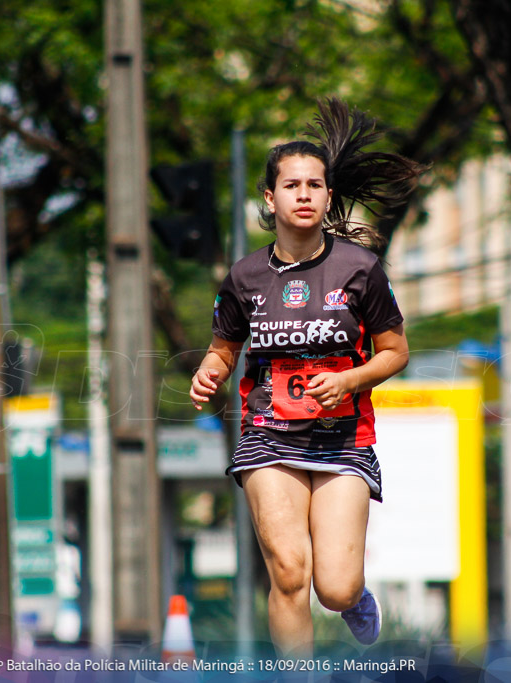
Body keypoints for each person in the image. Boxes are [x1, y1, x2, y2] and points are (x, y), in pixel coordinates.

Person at [189, 99, 424, 656]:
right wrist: (208, 375)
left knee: (335, 588)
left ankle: (356, 600)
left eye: (314, 185)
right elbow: (222, 352)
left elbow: (395, 352)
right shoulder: (244, 277)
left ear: (328, 197)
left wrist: (349, 382)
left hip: (343, 438)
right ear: (270, 199)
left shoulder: (360, 270)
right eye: (291, 185)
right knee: (290, 574)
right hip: (268, 435)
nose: (303, 194)